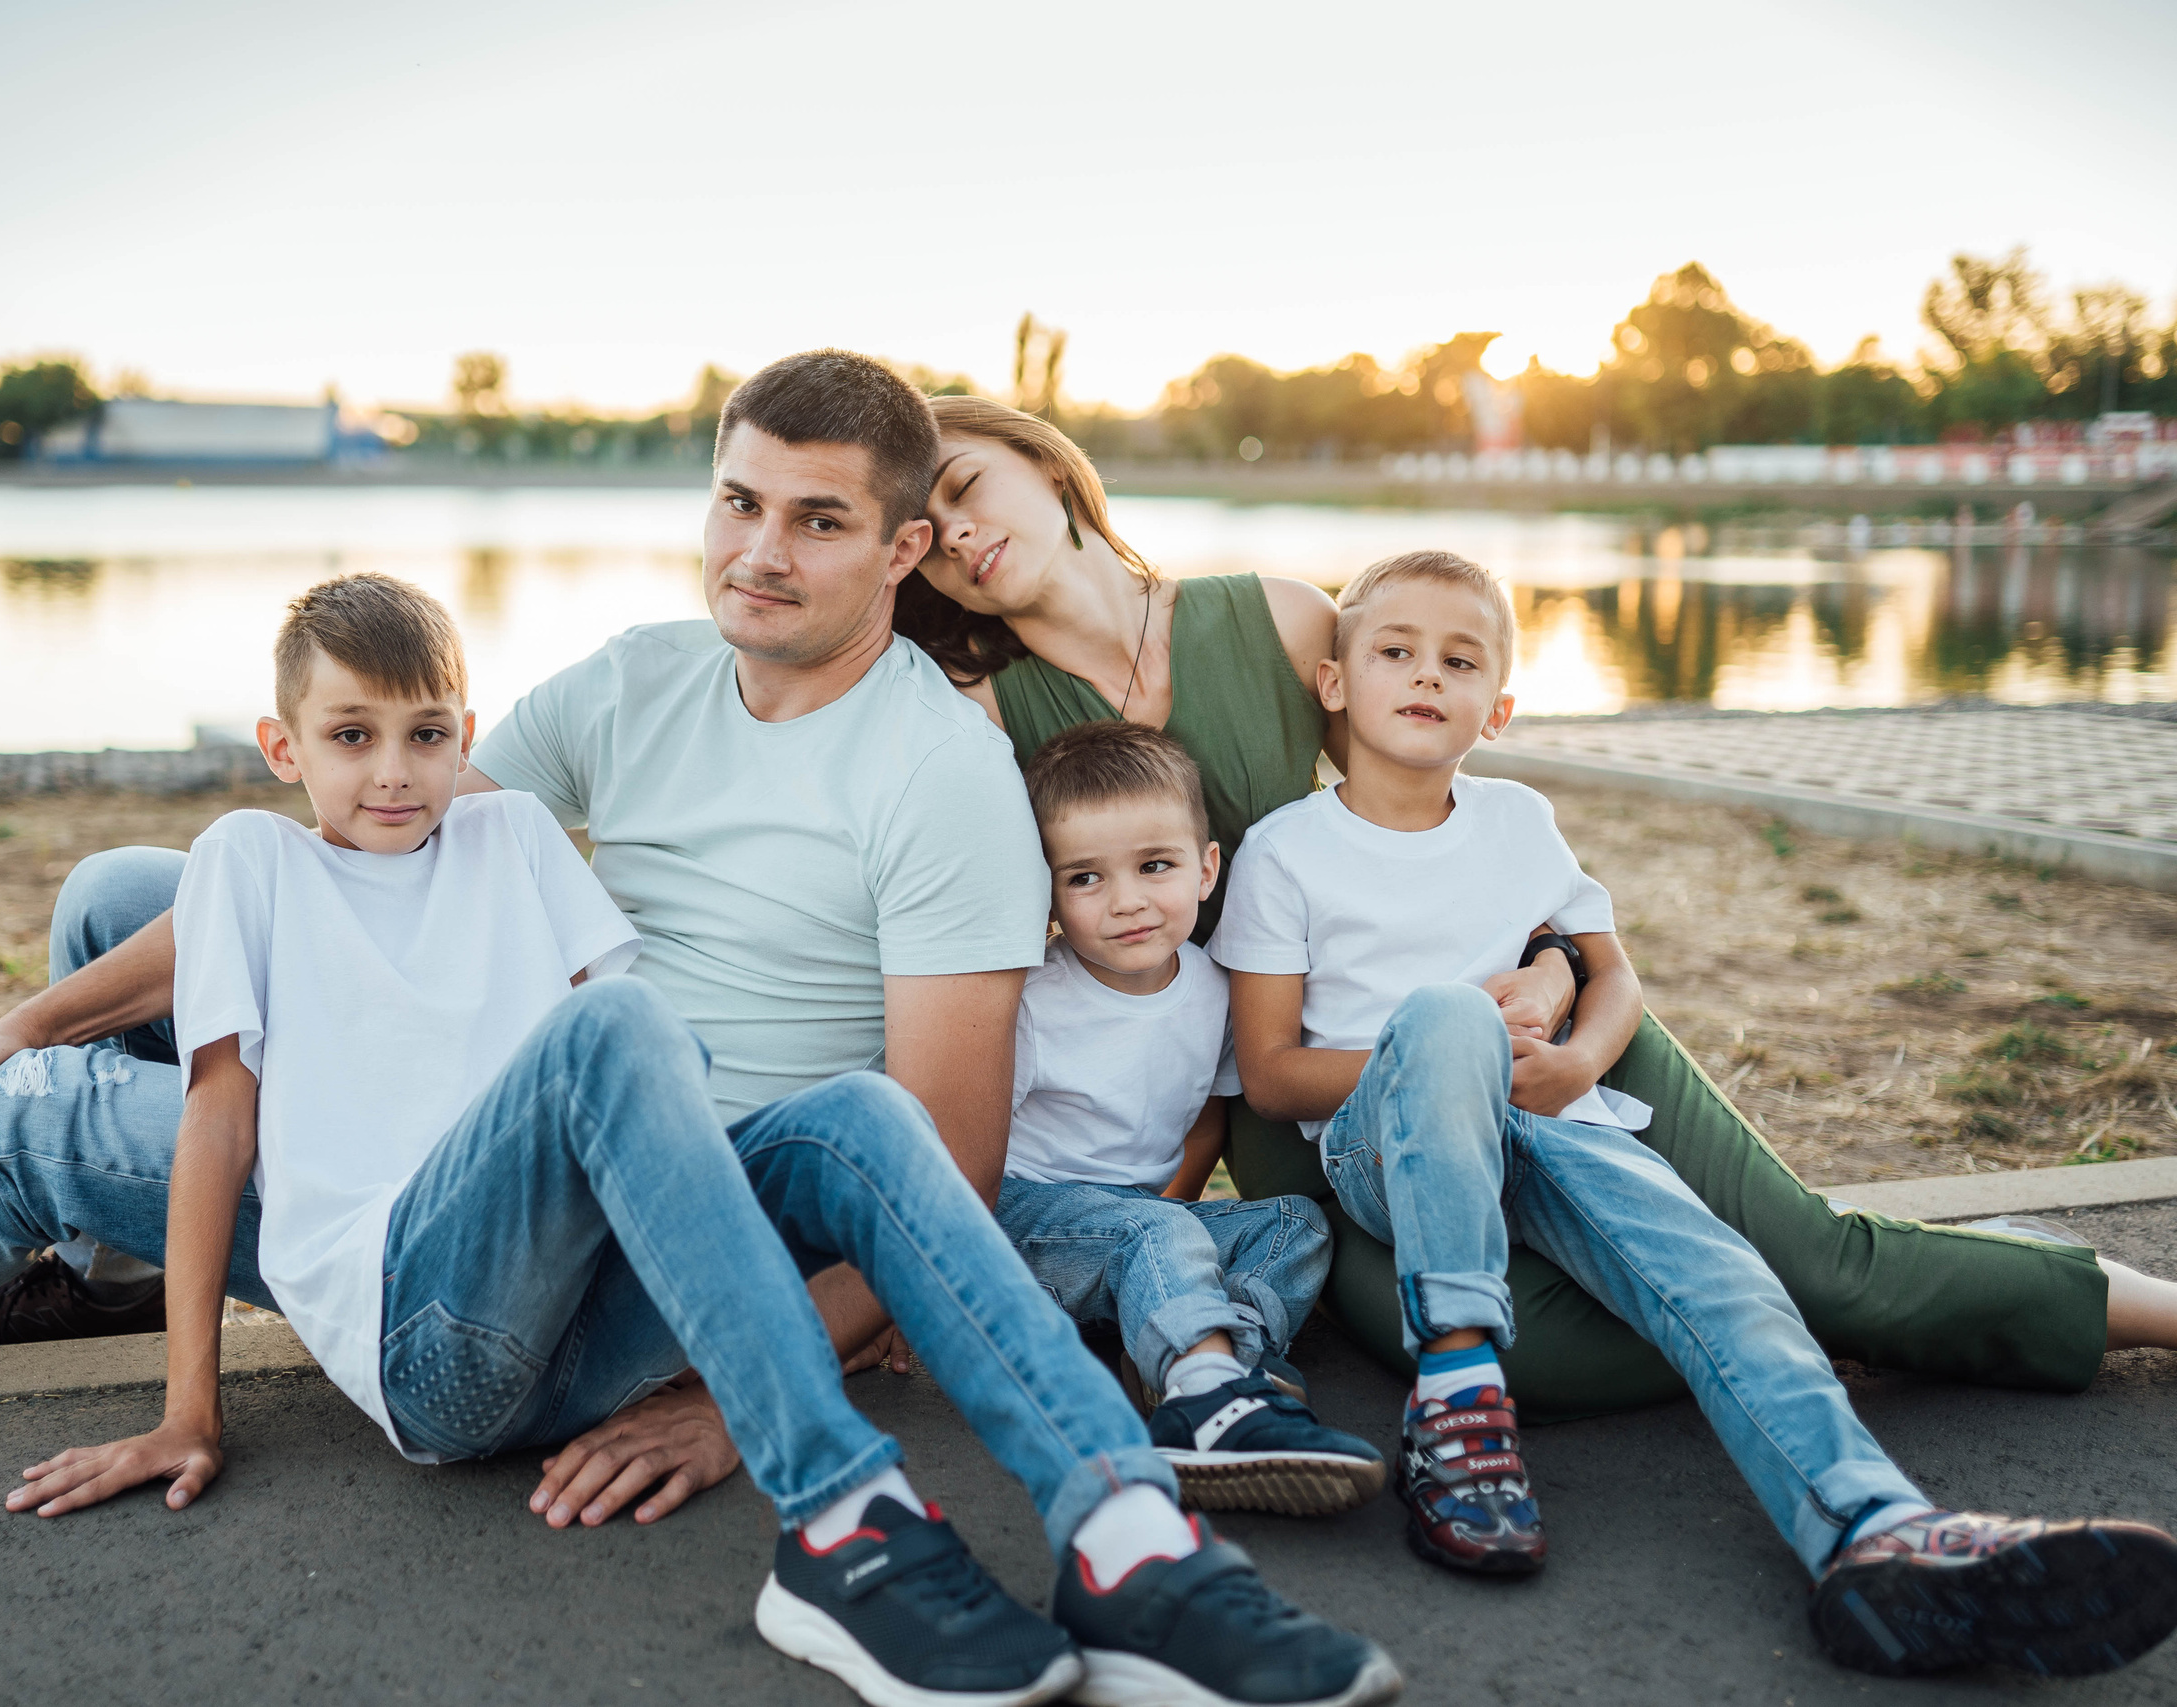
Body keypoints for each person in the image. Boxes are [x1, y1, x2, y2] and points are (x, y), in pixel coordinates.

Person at [0, 569, 1404, 1707]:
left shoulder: (510, 843)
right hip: (434, 1344)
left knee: (857, 1114)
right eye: (350, 738)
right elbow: (219, 1125)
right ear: (283, 747)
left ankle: (1128, 1539)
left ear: (467, 735)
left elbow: (632, 1115)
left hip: (578, 1319)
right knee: (56, 1102)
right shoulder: (249, 863)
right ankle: (846, 1519)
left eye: (425, 735)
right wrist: (186, 1401)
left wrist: (714, 1367)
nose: (393, 770)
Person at [896, 394, 2177, 1418]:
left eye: (965, 486)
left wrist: (1562, 963)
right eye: (925, 528)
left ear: (1045, 464)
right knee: (1528, 1358)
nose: (955, 531)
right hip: (1311, 1093)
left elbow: (1422, 801)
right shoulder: (981, 721)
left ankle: (2090, 1303)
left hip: (1527, 1022)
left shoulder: (1278, 618)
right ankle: (1882, 1308)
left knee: (1819, 1265)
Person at [1208, 546, 2177, 1678]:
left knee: (1728, 1278)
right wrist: (1450, 1047)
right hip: (1393, 1147)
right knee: (1445, 1014)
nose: (1427, 674)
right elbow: (1270, 1074)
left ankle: (1875, 1531)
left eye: (1460, 661)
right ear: (1334, 683)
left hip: (1556, 1125)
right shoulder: (1287, 851)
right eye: (1396, 651)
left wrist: (1577, 1063)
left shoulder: (1518, 820)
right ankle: (1457, 1412)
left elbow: (1614, 978)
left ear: (1499, 709)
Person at [999, 718, 1384, 1518]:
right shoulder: (1034, 1001)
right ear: (1048, 893)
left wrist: (1169, 1214)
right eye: (1085, 877)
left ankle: (1217, 1357)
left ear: (1207, 868)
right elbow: (957, 1137)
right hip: (1023, 1220)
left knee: (1293, 1222)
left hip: (1137, 1220)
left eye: (1154, 865)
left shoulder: (1215, 989)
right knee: (1155, 1230)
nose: (1128, 901)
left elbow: (1205, 1115)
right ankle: (1207, 1399)